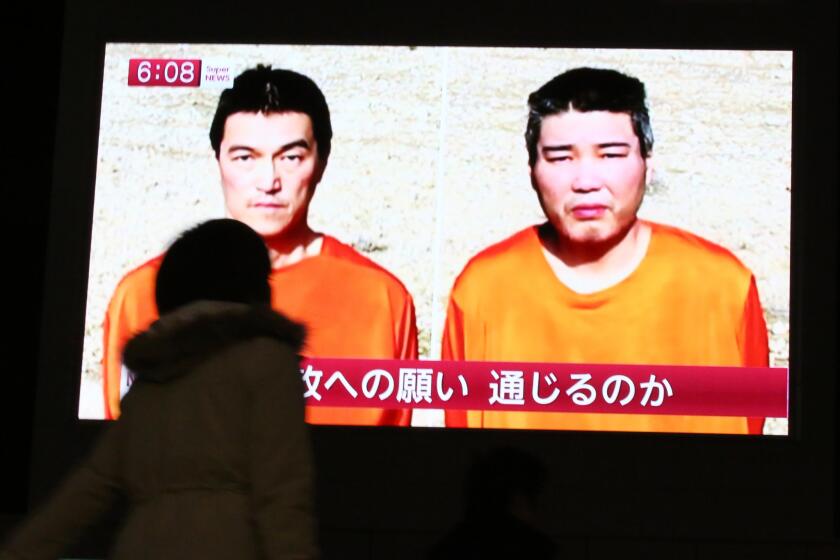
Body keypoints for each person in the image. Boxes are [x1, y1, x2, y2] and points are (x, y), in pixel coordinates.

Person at [442, 67, 769, 433]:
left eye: (611, 155)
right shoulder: (484, 290)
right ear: (532, 169)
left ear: (648, 161)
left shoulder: (722, 286)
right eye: (560, 158)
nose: (586, 182)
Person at [102, 65, 418, 425]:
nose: (268, 181)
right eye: (245, 158)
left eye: (290, 157)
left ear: (322, 162)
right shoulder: (141, 293)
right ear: (218, 160)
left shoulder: (382, 298)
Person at [1, 219, 318, 559]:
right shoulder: (268, 361)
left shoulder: (151, 381)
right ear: (255, 287)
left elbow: (85, 493)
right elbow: (283, 496)